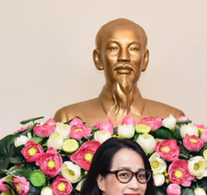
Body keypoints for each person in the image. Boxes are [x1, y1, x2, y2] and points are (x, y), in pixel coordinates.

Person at [54, 18, 184, 125]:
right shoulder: (68, 119)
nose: (124, 57)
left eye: (133, 48)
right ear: (98, 59)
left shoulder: (172, 120)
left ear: (145, 60)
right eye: (113, 48)